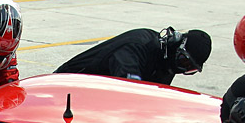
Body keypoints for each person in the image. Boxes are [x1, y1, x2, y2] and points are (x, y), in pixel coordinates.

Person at [54, 27, 211, 85]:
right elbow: (129, 91)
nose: (180, 68)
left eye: (188, 69)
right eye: (183, 61)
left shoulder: (167, 64)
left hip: (96, 97)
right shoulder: (137, 47)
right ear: (174, 44)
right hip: (67, 85)